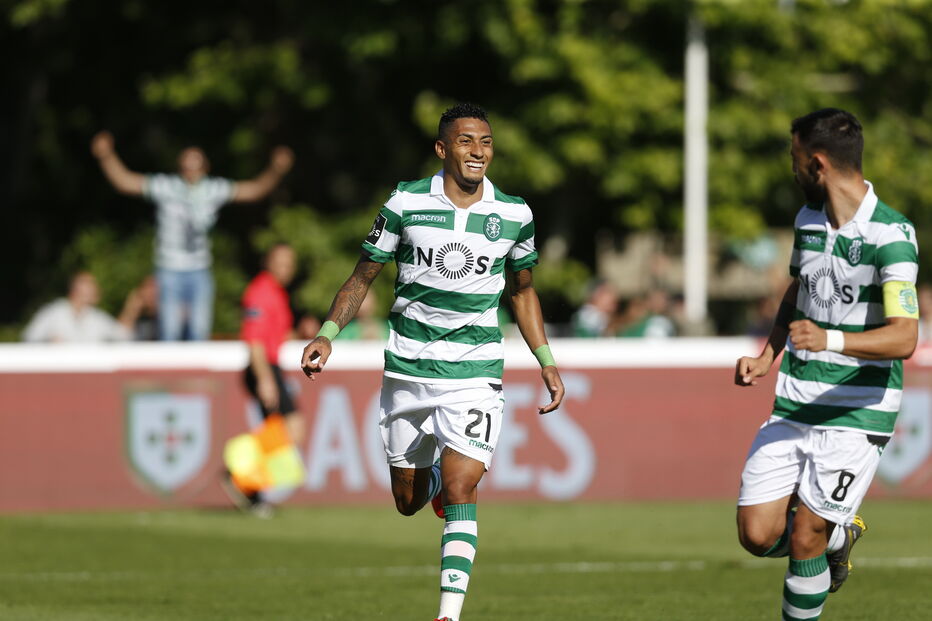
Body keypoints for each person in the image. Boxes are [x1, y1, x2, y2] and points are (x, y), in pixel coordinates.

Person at [300, 103, 565, 621]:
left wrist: (546, 360)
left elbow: (524, 292)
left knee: (464, 483)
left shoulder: (514, 213)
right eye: (466, 142)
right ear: (443, 149)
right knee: (408, 500)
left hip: (475, 369)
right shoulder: (405, 202)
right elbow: (362, 277)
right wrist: (328, 334)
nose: (478, 152)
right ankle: (436, 486)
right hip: (408, 368)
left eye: (485, 142)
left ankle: (447, 615)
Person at [734, 108, 918, 621]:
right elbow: (799, 290)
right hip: (796, 401)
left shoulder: (892, 234)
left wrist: (831, 339)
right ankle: (839, 536)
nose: (791, 170)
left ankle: (823, 537)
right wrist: (767, 356)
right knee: (756, 534)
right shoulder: (807, 220)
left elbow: (906, 336)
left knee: (804, 535)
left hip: (859, 411)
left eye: (794, 159)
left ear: (816, 163)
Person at [90, 131, 294, 341]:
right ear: (180, 167)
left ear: (205, 167)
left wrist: (275, 170)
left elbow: (254, 190)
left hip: (199, 270)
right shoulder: (166, 186)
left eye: (196, 165)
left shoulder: (213, 188)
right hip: (168, 268)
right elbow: (125, 182)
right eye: (186, 165)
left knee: (198, 332)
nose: (191, 170)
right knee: (169, 332)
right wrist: (106, 156)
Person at [223, 244, 305, 516]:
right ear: (268, 262)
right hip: (263, 368)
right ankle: (240, 476)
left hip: (271, 367)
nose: (286, 268)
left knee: (286, 431)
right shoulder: (260, 292)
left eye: (290, 263)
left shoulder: (277, 293)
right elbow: (254, 341)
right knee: (288, 429)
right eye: (281, 262)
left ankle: (245, 479)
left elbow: (275, 335)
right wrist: (265, 379)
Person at [23, 271, 131, 342]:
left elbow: (123, 335)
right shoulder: (53, 312)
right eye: (90, 286)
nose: (96, 289)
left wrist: (132, 306)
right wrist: (48, 342)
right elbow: (29, 337)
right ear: (75, 291)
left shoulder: (96, 317)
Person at [118, 274, 160, 340]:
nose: (151, 292)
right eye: (147, 287)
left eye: (155, 287)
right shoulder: (138, 319)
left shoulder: (171, 320)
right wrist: (131, 309)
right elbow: (119, 336)